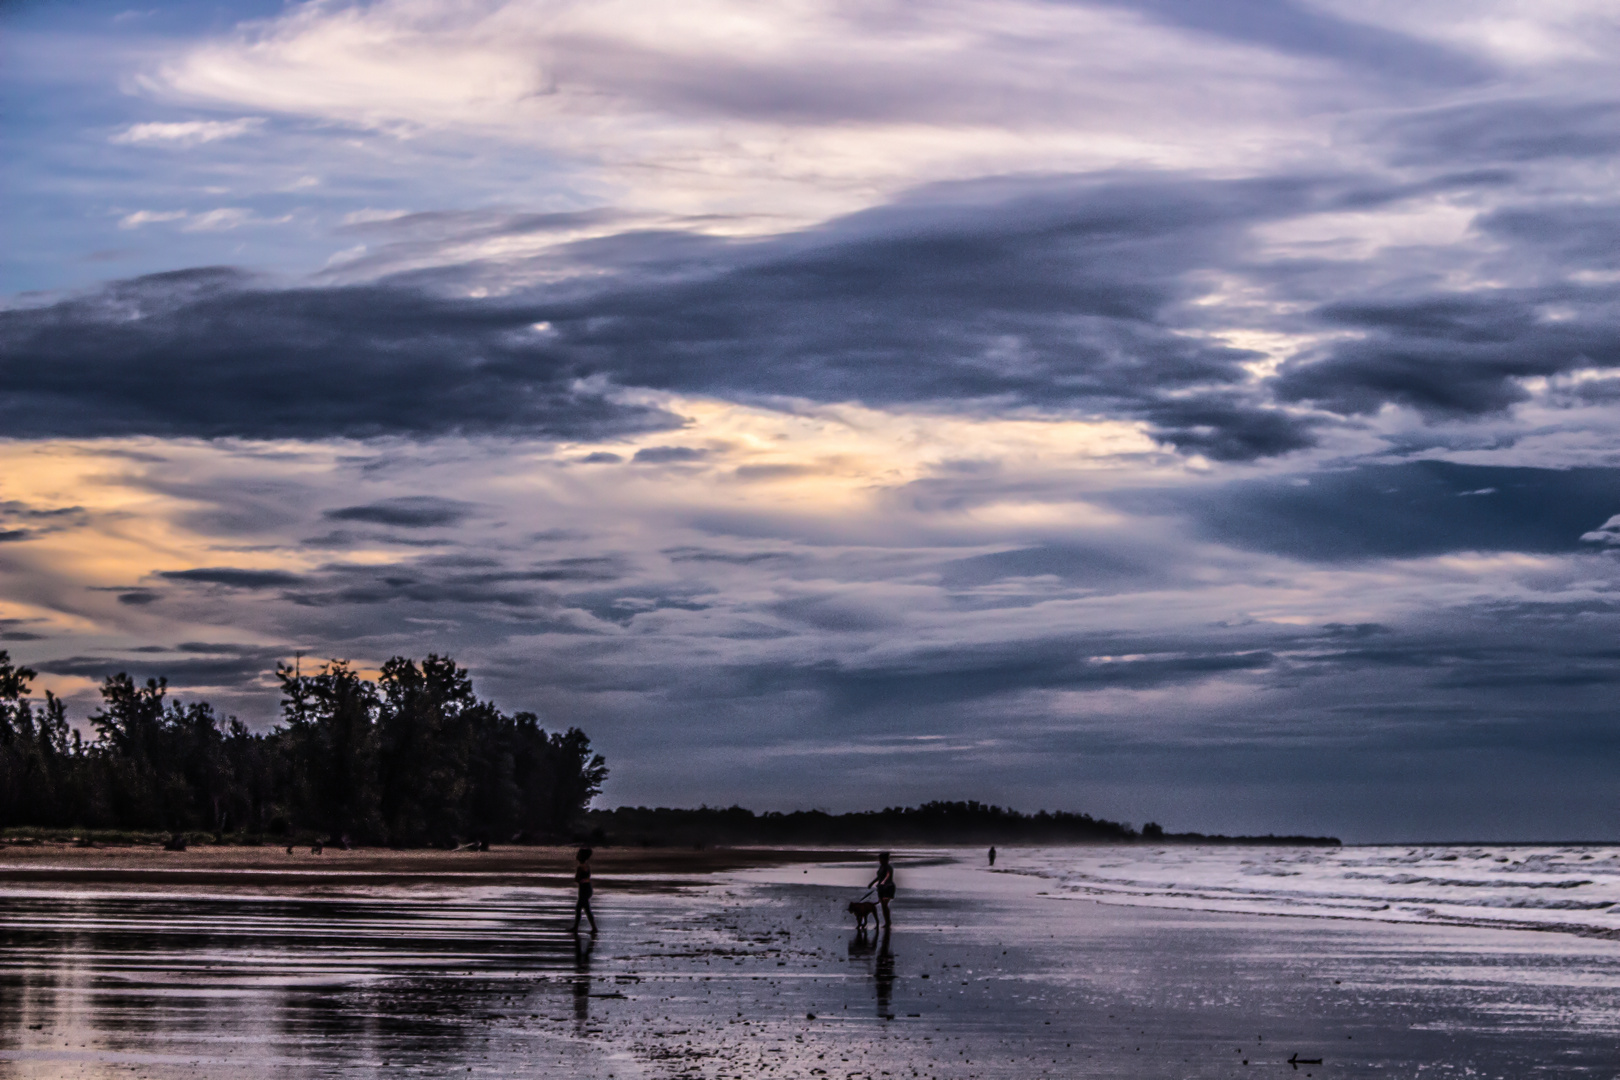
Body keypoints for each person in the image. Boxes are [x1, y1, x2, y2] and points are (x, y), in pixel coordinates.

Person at [572, 846, 598, 933]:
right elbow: (587, 878)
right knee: (584, 909)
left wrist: (580, 880)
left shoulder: (580, 867)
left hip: (583, 890)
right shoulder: (587, 866)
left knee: (581, 908)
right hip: (587, 889)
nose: (577, 855)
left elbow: (577, 879)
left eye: (578, 854)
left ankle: (593, 928)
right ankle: (578, 928)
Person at [869, 852, 895, 927]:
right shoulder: (881, 867)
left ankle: (888, 922)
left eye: (881, 859)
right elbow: (879, 877)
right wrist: (872, 883)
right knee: (884, 906)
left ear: (885, 859)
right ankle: (887, 922)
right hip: (881, 888)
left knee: (884, 905)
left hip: (888, 888)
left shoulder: (888, 868)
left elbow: (887, 878)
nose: (879, 860)